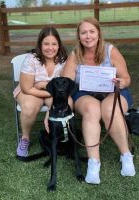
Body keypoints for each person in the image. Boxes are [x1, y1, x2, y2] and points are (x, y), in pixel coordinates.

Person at [62, 17, 136, 184]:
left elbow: (126, 78)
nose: (88, 36)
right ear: (79, 36)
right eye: (83, 32)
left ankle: (126, 155)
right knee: (92, 110)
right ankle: (93, 162)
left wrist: (122, 82)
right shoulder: (75, 54)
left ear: (99, 33)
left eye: (91, 32)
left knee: (109, 109)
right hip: (85, 93)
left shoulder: (110, 50)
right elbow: (66, 83)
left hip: (113, 91)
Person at [13, 27, 68, 157]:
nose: (50, 48)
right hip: (30, 90)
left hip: (51, 92)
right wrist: (50, 93)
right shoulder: (32, 59)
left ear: (59, 45)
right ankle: (25, 138)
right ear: (40, 44)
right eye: (46, 44)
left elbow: (65, 85)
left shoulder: (63, 59)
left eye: (54, 44)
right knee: (29, 107)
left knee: (65, 103)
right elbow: (27, 88)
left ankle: (62, 137)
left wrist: (50, 105)